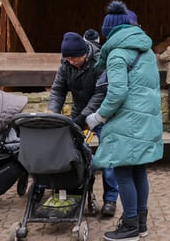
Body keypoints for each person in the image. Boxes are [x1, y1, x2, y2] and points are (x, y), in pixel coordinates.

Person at [85, 0, 163, 240]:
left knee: (122, 173)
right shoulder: (147, 51)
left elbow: (117, 92)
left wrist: (98, 116)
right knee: (139, 172)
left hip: (126, 122)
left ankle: (129, 226)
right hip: (146, 120)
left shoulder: (117, 54)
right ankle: (140, 223)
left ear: (109, 32)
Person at [48, 32, 119, 217]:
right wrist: (53, 113)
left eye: (74, 58)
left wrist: (84, 118)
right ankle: (76, 193)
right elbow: (57, 90)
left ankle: (110, 199)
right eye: (68, 58)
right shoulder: (65, 65)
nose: (71, 61)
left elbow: (100, 94)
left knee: (108, 155)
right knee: (74, 153)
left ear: (84, 53)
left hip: (102, 114)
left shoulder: (99, 61)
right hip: (79, 112)